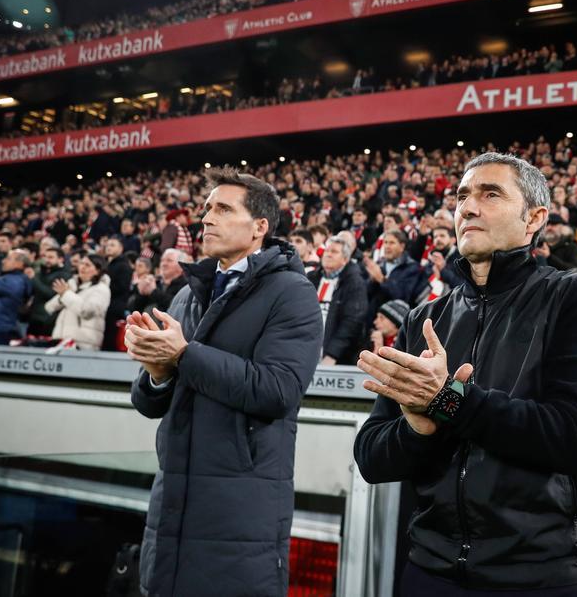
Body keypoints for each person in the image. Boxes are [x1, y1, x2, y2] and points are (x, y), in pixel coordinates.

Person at [353, 152, 577, 595]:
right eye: (461, 197)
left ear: (534, 219)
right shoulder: (424, 318)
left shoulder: (571, 296)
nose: (467, 207)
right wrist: (417, 429)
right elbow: (372, 458)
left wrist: (448, 401)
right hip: (429, 570)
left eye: (490, 194)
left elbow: (574, 439)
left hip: (537, 576)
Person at [125, 167, 322, 597]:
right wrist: (156, 372)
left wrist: (182, 355)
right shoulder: (186, 293)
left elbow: (277, 390)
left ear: (259, 227)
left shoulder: (292, 292)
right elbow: (151, 402)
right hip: (173, 499)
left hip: (240, 512)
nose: (207, 218)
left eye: (223, 209)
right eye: (207, 209)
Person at [310, 236, 368, 365]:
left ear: (345, 259)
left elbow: (352, 322)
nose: (328, 255)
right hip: (305, 352)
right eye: (327, 251)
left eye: (334, 252)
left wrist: (332, 354)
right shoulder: (311, 278)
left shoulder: (355, 283)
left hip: (335, 359)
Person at [45, 254, 112, 351]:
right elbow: (49, 307)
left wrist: (66, 294)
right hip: (62, 342)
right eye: (81, 263)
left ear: (98, 271)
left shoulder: (101, 289)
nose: (82, 267)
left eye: (88, 265)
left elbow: (87, 311)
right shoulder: (73, 286)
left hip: (83, 345)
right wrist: (64, 295)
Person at [364, 229, 424, 310]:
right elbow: (366, 294)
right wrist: (372, 281)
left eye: (392, 243)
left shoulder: (412, 268)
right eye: (385, 242)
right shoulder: (379, 264)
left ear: (402, 247)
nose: (387, 246)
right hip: (374, 316)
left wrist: (382, 280)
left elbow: (403, 297)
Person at [28, 246, 72, 336]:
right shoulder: (41, 272)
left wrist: (33, 279)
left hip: (47, 319)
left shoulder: (64, 275)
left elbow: (51, 294)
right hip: (34, 317)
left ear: (60, 259)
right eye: (45, 256)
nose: (47, 260)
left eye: (51, 257)